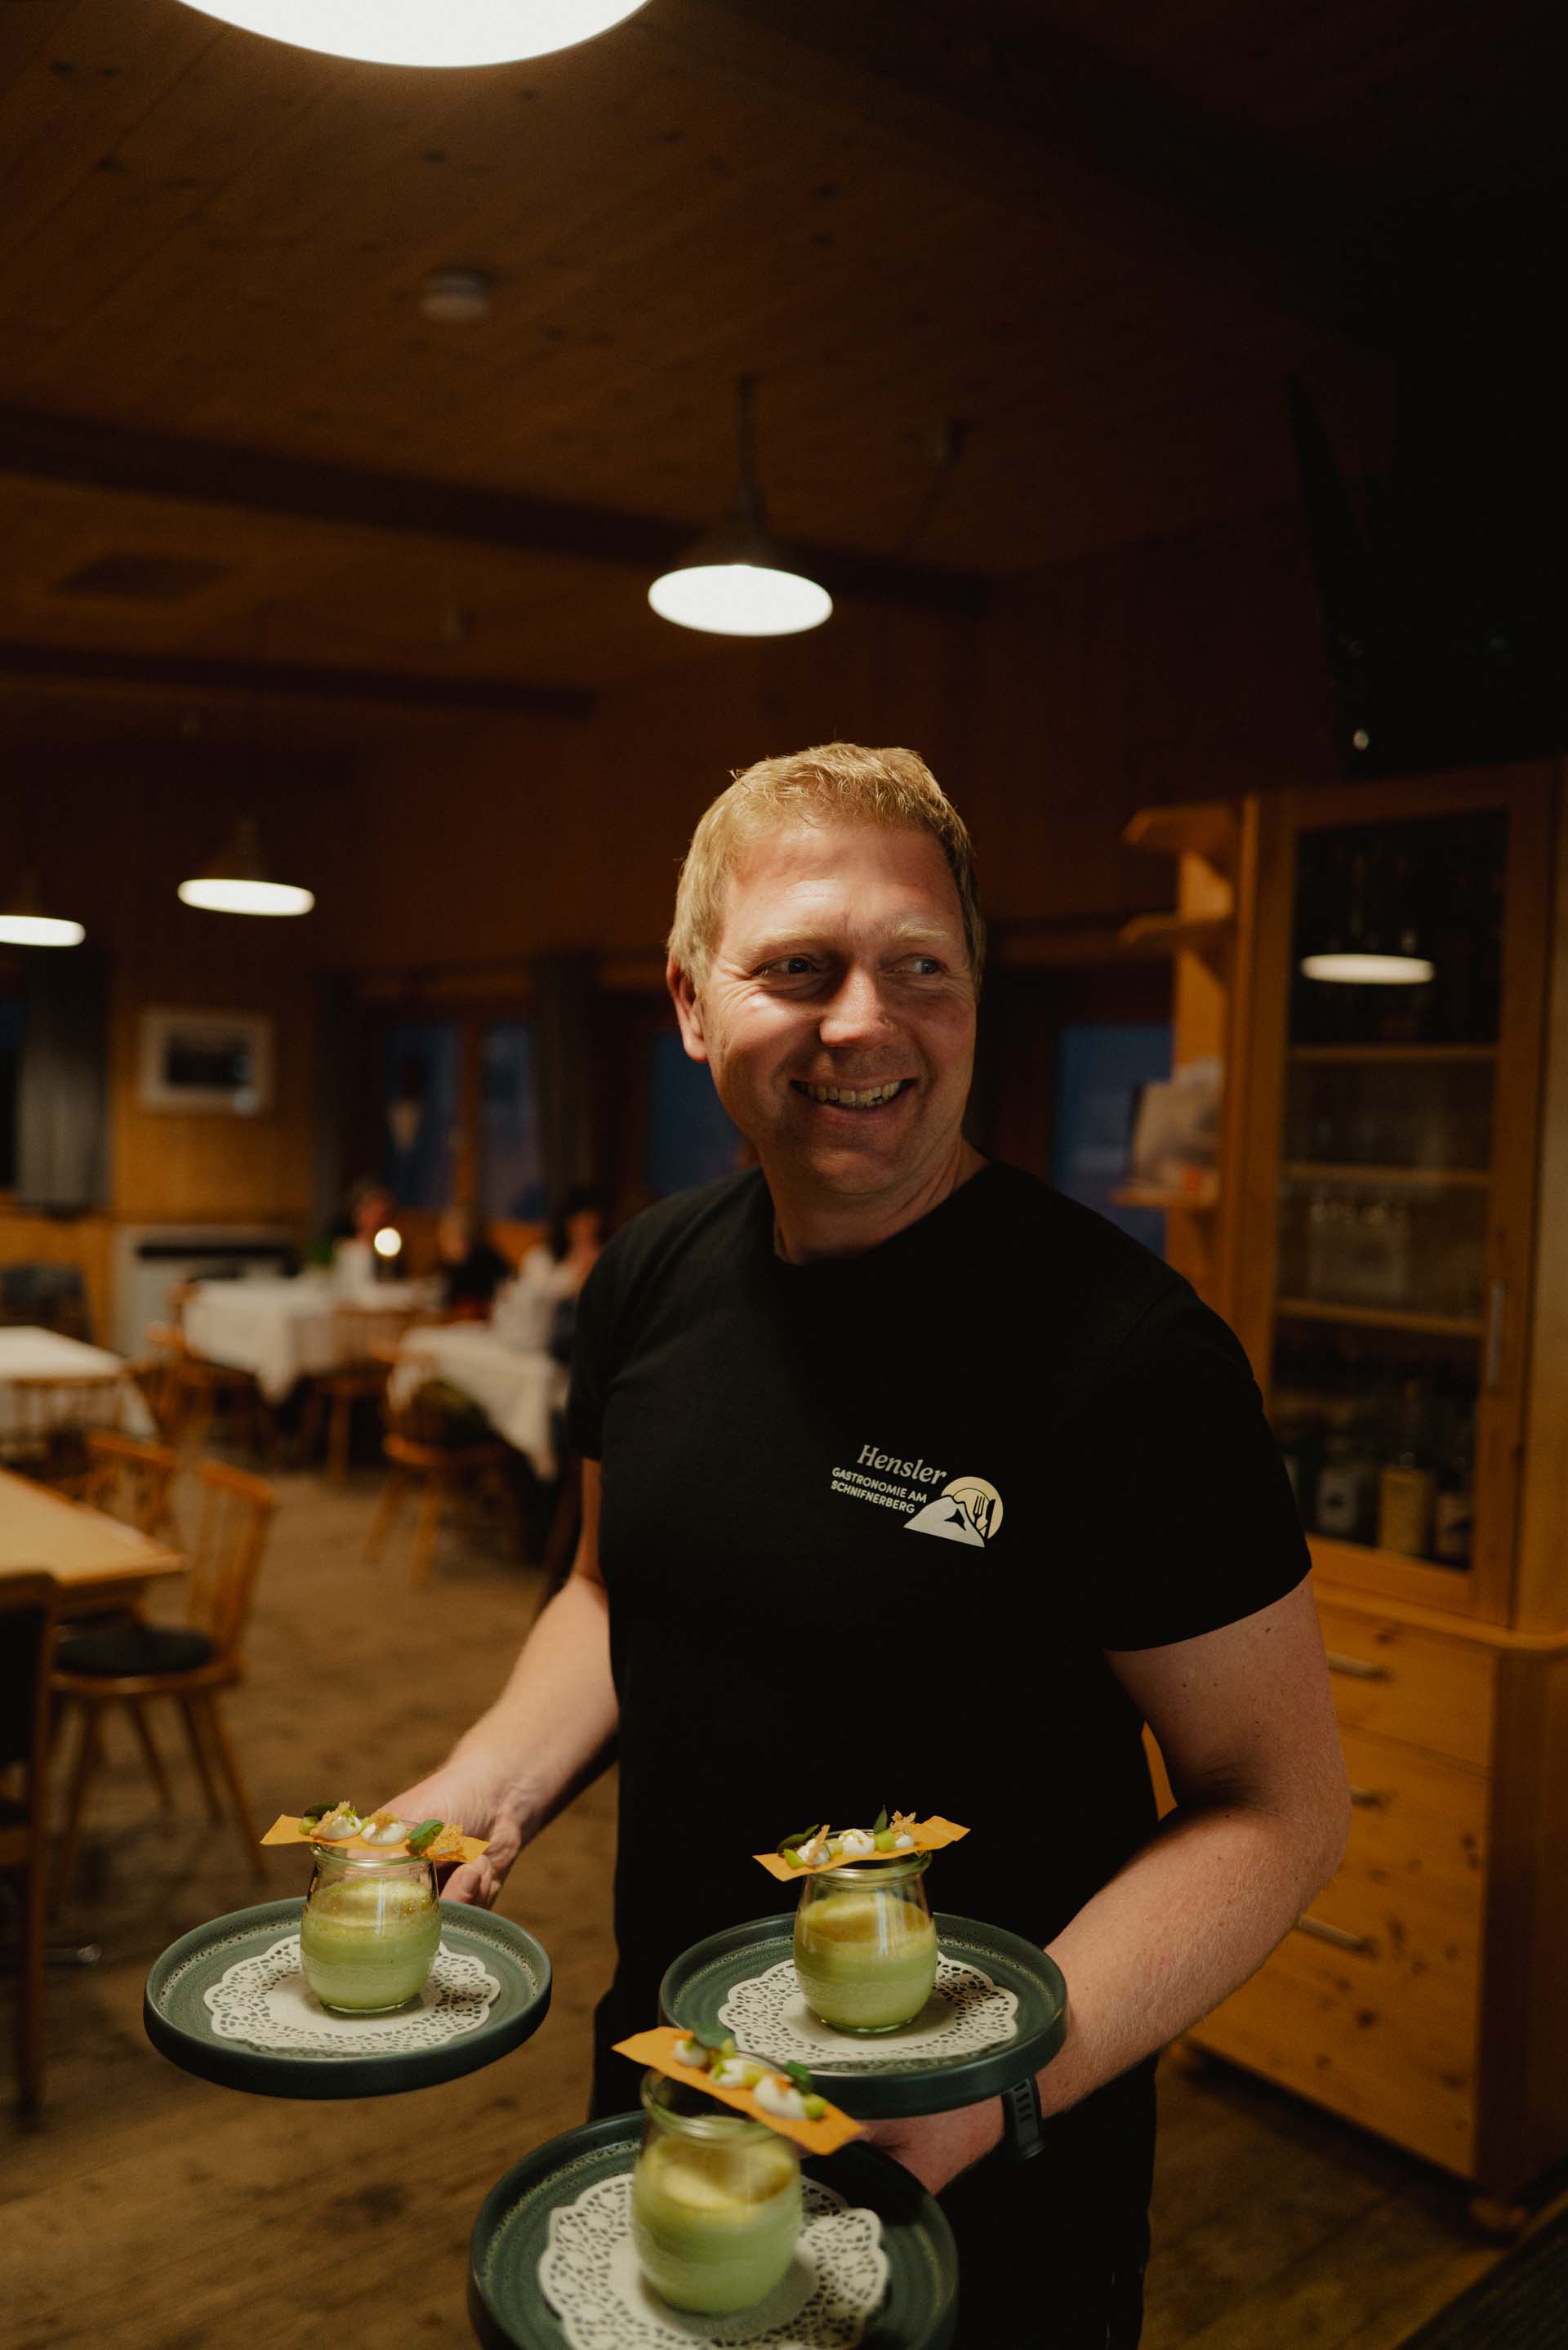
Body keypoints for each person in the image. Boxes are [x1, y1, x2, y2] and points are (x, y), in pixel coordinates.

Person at [390, 743, 1348, 2348]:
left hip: (985, 2157)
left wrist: (1001, 2084)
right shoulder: (646, 1281)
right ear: (693, 1002)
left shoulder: (1130, 1359)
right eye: (799, 968)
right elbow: (611, 1589)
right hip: (676, 2095)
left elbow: (1281, 1806)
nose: (864, 1021)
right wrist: (487, 1777)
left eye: (920, 967)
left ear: (974, 996)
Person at [492, 1184, 606, 1354]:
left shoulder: (602, 1256)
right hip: (539, 1336)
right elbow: (540, 1293)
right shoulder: (541, 1256)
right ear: (566, 1224)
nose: (587, 1230)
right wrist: (574, 1270)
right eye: (581, 1223)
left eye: (592, 1223)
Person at [434, 1203, 513, 1320]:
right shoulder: (451, 1263)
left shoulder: (487, 1263)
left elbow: (488, 1304)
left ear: (471, 1240)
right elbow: (445, 1296)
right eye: (445, 1238)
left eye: (452, 1238)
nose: (446, 1246)